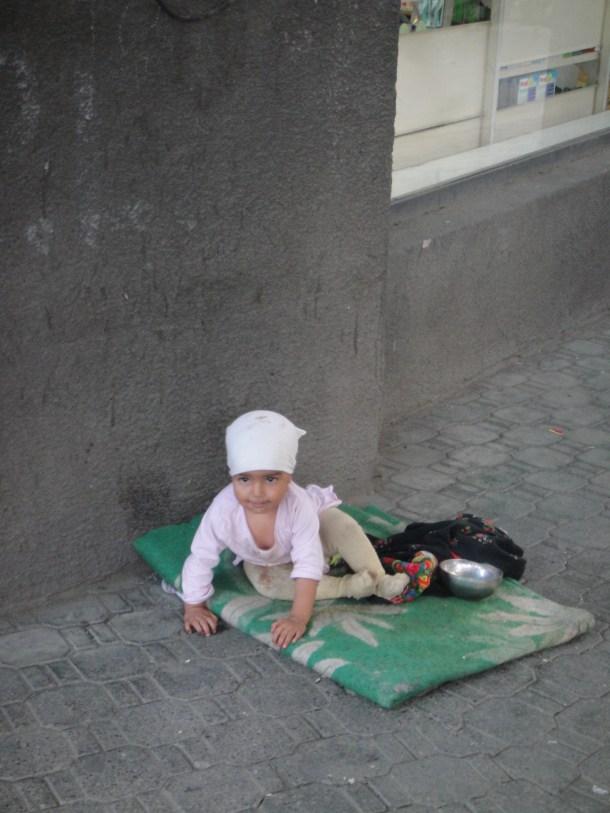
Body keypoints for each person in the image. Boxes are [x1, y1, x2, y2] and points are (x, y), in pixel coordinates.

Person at [179, 410, 411, 649]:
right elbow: (201, 557)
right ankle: (348, 586)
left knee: (344, 527)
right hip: (266, 561)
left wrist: (298, 618)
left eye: (270, 479)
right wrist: (194, 606)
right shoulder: (222, 511)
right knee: (268, 585)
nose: (257, 492)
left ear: (288, 477)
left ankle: (378, 580)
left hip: (317, 537)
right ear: (233, 478)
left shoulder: (299, 505)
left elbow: (308, 562)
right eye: (244, 479)